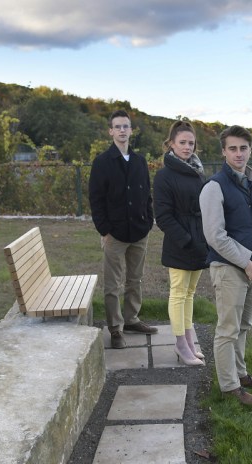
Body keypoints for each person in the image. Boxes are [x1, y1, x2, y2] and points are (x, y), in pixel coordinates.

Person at [199, 125, 252, 406]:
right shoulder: (214, 187)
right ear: (223, 151)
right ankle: (230, 387)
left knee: (244, 325)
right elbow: (215, 236)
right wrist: (246, 263)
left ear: (250, 150)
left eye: (243, 148)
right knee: (227, 330)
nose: (238, 153)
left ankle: (241, 374)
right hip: (229, 269)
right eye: (232, 148)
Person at [89, 110, 157, 348]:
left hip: (139, 231)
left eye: (125, 126)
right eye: (117, 127)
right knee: (112, 284)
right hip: (114, 234)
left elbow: (146, 194)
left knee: (135, 280)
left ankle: (131, 319)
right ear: (111, 131)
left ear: (131, 130)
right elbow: (95, 200)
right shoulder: (102, 163)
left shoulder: (139, 161)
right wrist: (104, 229)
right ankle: (115, 328)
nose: (121, 130)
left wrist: (149, 221)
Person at [153, 120, 209, 366]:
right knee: (178, 293)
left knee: (190, 293)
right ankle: (180, 344)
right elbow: (163, 216)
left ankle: (188, 340)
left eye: (191, 143)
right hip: (180, 243)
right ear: (171, 144)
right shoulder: (164, 175)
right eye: (182, 143)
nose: (187, 147)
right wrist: (185, 240)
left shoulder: (197, 171)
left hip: (200, 241)